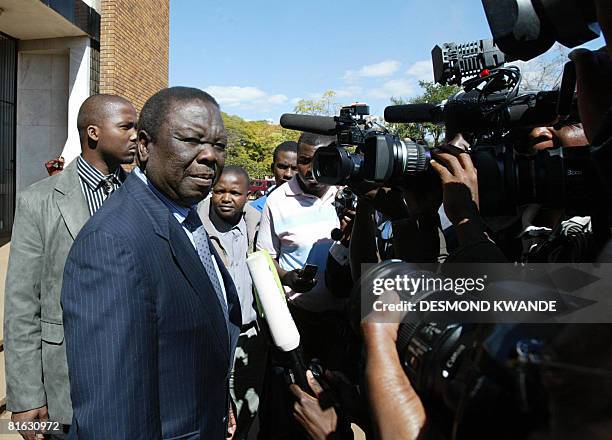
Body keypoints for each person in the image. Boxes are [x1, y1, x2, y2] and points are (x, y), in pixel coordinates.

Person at [61, 87, 242, 439]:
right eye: (191, 140)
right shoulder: (113, 244)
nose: (209, 156)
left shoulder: (185, 217)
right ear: (145, 145)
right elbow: (113, 417)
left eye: (219, 145)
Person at [3, 94, 137, 440]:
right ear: (94, 132)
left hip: (131, 382)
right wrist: (26, 395)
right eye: (126, 127)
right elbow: (22, 304)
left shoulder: (141, 196)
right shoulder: (38, 201)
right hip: (64, 389)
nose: (136, 135)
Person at [198, 165, 266, 440]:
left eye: (234, 193)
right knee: (214, 407)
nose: (226, 198)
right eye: (220, 191)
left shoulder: (257, 226)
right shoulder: (196, 229)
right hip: (214, 334)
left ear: (247, 196)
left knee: (249, 404)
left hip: (250, 334)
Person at [250, 140, 298, 212]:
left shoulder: (314, 207)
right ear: (272, 168)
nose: (288, 174)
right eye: (282, 167)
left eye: (295, 168)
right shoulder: (255, 209)